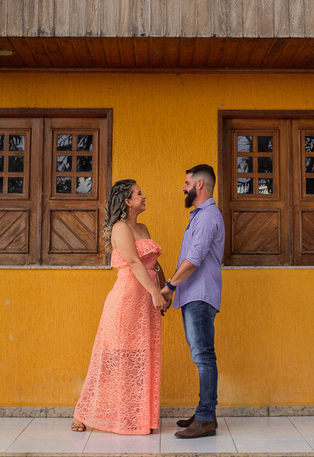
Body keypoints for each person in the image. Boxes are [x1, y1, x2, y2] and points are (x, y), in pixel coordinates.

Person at [72, 180, 170, 435]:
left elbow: (153, 265)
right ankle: (82, 412)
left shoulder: (144, 227)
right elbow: (135, 263)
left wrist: (165, 290)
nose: (144, 195)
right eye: (139, 193)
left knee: (139, 358)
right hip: (126, 301)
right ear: (128, 201)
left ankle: (136, 416)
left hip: (146, 302)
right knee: (112, 359)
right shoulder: (120, 228)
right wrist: (154, 294)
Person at [162, 164, 225, 439]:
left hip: (200, 294)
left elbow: (194, 259)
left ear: (200, 185)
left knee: (203, 356)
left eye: (187, 182)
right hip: (194, 295)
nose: (184, 187)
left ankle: (205, 418)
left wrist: (169, 286)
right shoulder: (200, 215)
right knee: (200, 355)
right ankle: (204, 412)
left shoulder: (208, 216)